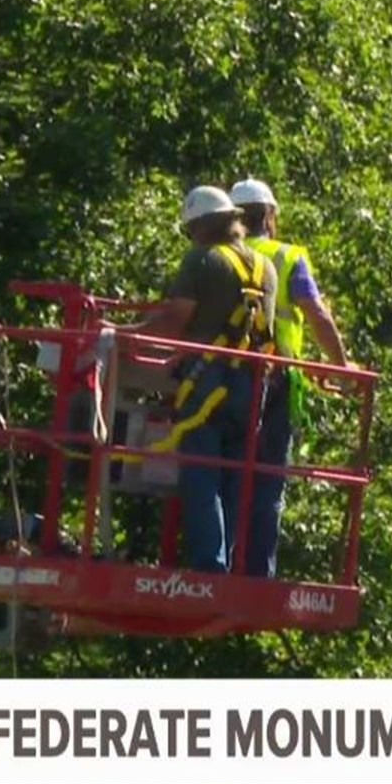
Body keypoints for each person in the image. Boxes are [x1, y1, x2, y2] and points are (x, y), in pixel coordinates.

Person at [115, 185, 278, 574]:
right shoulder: (264, 267)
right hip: (253, 384)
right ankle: (230, 561)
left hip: (207, 383)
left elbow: (175, 319)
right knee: (237, 475)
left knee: (201, 469)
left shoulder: (202, 260)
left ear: (201, 226)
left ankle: (210, 564)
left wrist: (125, 335)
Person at [228, 177, 350, 579]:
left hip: (220, 377)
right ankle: (257, 573)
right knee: (267, 479)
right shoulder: (286, 256)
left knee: (223, 469)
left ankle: (218, 566)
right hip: (275, 377)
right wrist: (341, 367)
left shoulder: (217, 256)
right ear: (271, 216)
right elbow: (316, 314)